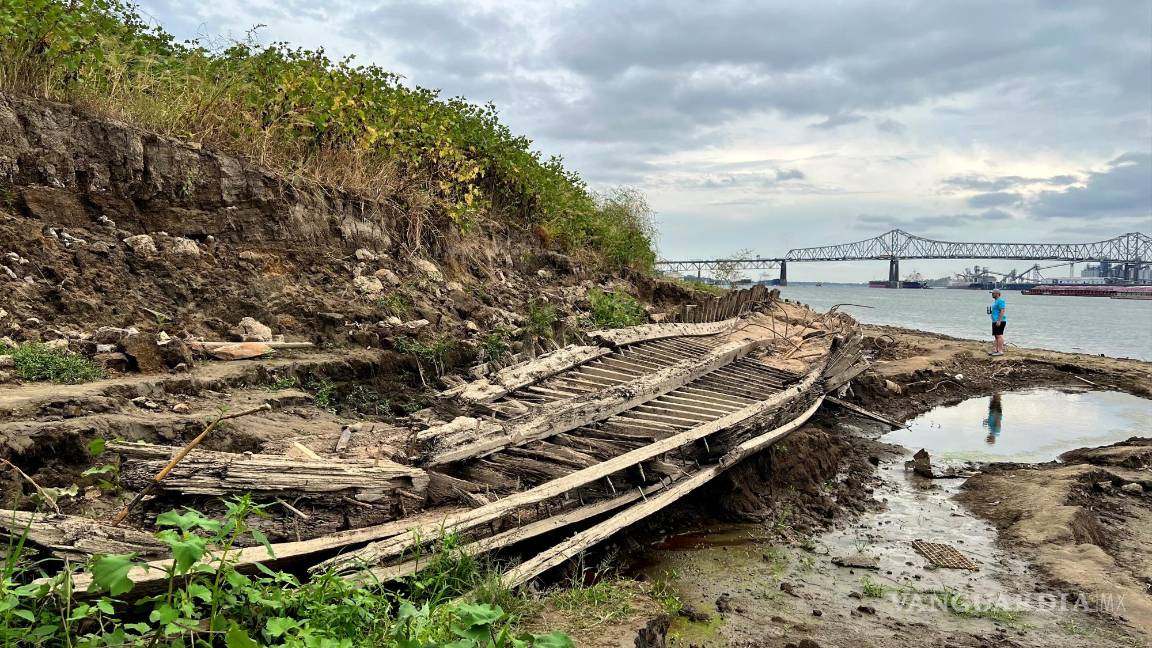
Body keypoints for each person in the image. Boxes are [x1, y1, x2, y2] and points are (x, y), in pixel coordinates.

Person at [988, 289, 1007, 356]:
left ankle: (1000, 351)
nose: (992, 294)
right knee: (996, 336)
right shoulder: (995, 301)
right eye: (992, 293)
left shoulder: (1001, 301)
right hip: (994, 320)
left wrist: (999, 320)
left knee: (999, 335)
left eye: (993, 293)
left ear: (997, 294)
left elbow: (1002, 311)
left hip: (1000, 321)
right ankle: (996, 350)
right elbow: (996, 311)